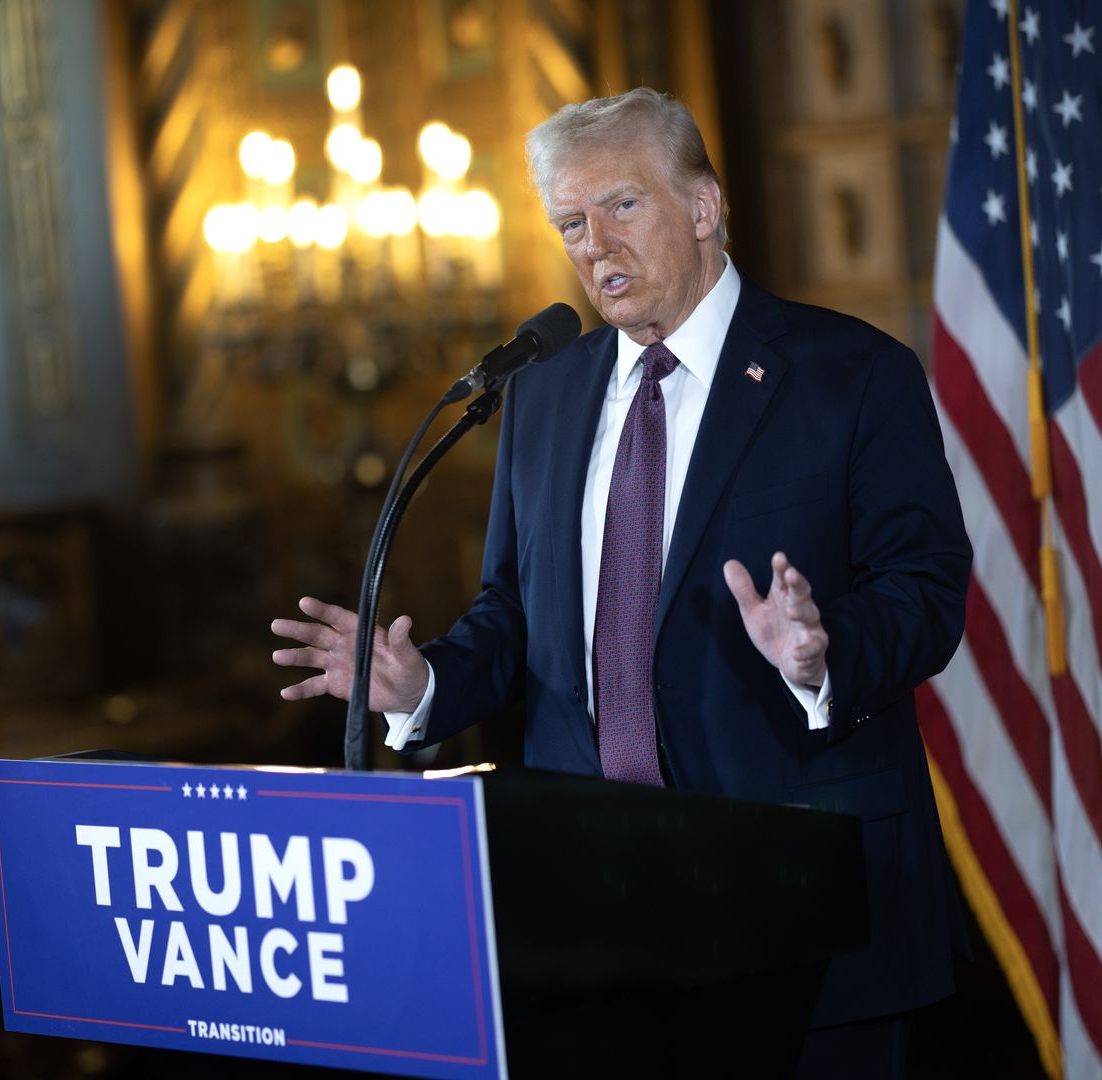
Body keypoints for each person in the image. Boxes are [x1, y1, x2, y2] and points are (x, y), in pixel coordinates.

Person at [271, 87, 971, 1077]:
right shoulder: (545, 391)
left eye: (622, 206)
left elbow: (928, 588)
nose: (594, 244)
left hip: (804, 896)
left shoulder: (851, 374)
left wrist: (826, 651)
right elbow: (515, 613)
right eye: (570, 221)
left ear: (703, 207)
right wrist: (421, 686)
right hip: (598, 910)